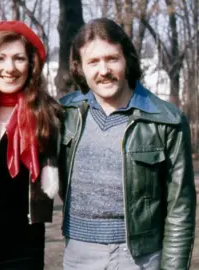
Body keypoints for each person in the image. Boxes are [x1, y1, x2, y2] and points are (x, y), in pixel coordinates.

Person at [60, 18, 196, 270]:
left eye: (112, 58)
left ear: (127, 60)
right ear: (79, 68)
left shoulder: (166, 120)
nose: (103, 70)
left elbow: (181, 209)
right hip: (77, 254)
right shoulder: (64, 113)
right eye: (93, 62)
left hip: (139, 257)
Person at [0, 21, 63, 269]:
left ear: (31, 65)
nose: (10, 68)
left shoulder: (50, 116)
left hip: (23, 251)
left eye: (19, 59)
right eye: (1, 58)